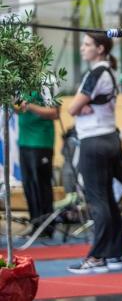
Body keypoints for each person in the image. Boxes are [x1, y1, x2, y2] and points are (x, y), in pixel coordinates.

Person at [66, 33, 122, 274]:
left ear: (100, 49)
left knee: (98, 200)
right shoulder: (108, 71)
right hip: (108, 139)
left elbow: (72, 108)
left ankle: (97, 256)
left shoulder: (97, 73)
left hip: (94, 141)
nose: (82, 48)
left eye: (87, 45)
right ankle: (113, 254)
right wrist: (83, 106)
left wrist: (81, 106)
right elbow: (80, 107)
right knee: (108, 200)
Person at [15, 88, 59, 238]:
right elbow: (18, 109)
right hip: (24, 142)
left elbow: (55, 112)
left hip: (41, 142)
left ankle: (46, 227)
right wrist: (13, 104)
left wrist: (30, 106)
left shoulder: (47, 82)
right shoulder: (20, 84)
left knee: (41, 186)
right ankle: (35, 225)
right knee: (29, 186)